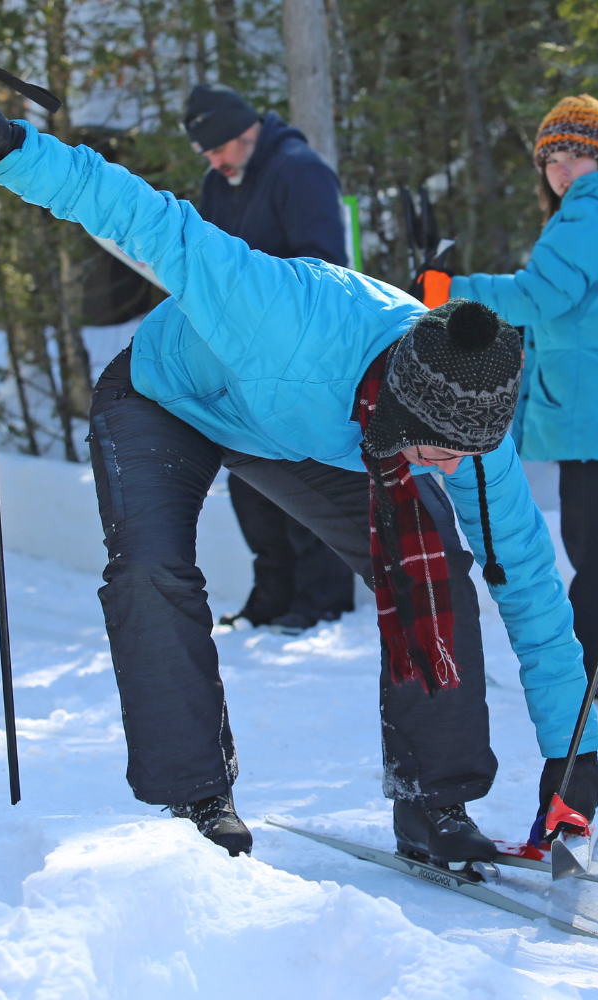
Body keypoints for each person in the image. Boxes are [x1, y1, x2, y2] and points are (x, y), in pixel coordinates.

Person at [0, 89, 598, 863]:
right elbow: (144, 217)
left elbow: (527, 582)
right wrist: (16, 147)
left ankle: (435, 803)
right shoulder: (280, 309)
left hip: (283, 429)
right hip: (168, 399)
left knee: (440, 570)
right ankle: (198, 796)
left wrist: (574, 751)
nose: (456, 469)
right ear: (400, 407)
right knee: (152, 570)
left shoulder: (467, 420)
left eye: (464, 454)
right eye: (442, 451)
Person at [416, 95, 598, 702]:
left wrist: (448, 290)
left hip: (595, 406)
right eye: (552, 159)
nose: (563, 171)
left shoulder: (587, 215)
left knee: (596, 539)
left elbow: (540, 297)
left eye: (577, 156)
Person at [182, 83, 357, 633]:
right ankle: (273, 594)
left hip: (300, 355)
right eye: (205, 153)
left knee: (303, 477)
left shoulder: (299, 171)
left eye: (218, 148)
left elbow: (325, 268)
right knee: (250, 482)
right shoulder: (221, 180)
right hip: (240, 357)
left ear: (245, 132)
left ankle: (322, 598)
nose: (213, 161)